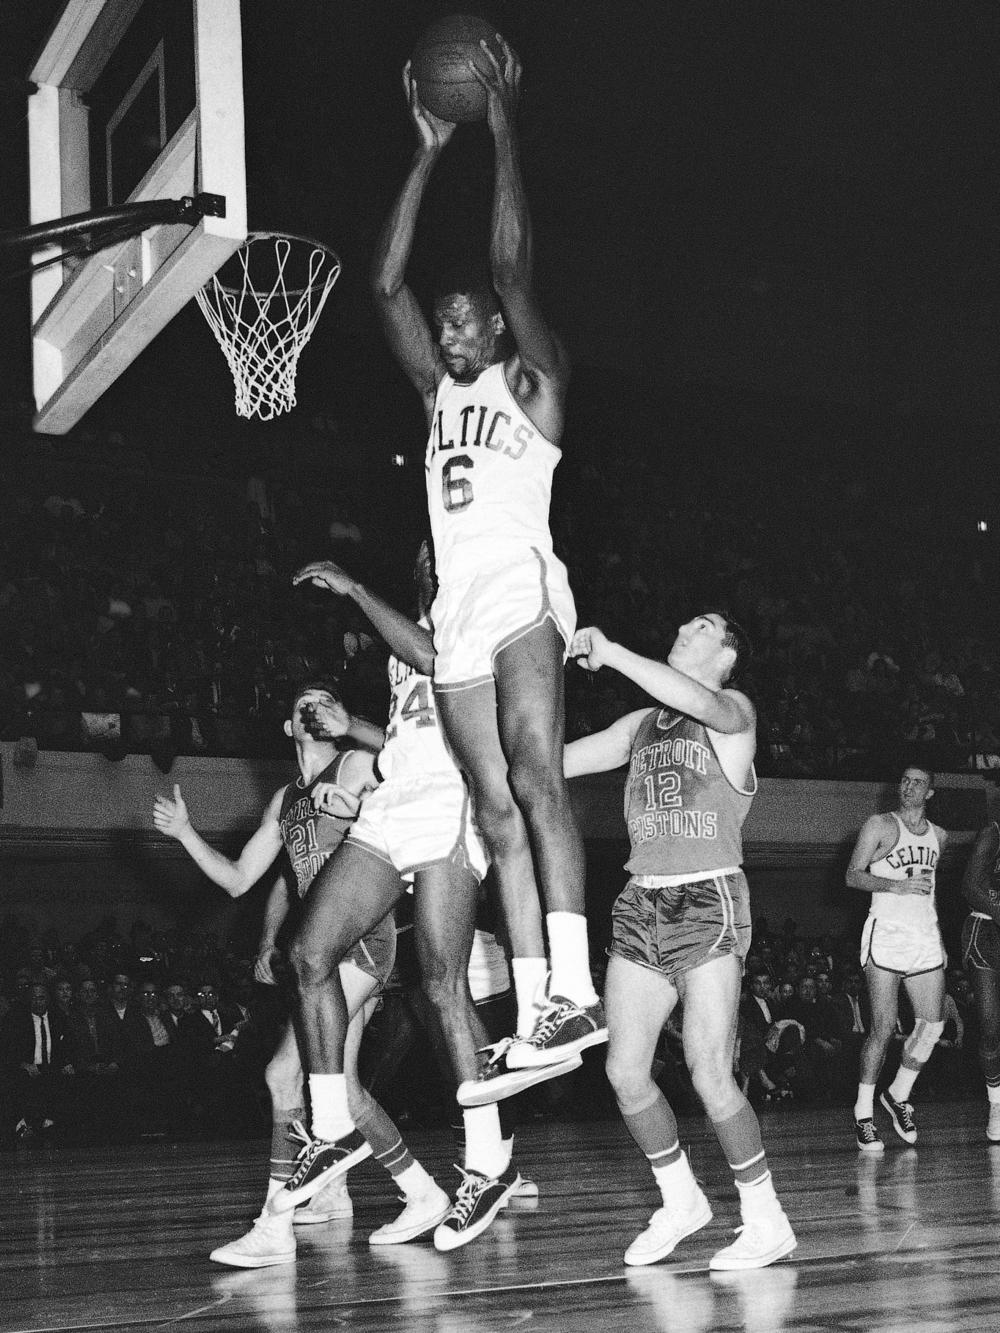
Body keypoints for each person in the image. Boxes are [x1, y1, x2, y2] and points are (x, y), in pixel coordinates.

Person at [370, 38, 604, 1075]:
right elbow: (383, 285)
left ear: (502, 330)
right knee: (495, 808)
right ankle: (547, 1010)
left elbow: (511, 265)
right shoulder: (436, 396)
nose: (454, 329)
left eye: (469, 319)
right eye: (450, 321)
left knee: (533, 773)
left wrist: (500, 122)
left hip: (518, 582)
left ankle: (576, 983)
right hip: (456, 607)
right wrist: (424, 154)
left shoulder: (534, 384)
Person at [282, 550, 555, 1251]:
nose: (436, 549)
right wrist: (353, 728)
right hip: (394, 799)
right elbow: (416, 728)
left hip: (451, 805)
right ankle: (333, 1124)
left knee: (440, 985)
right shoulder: (412, 621)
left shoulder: (476, 616)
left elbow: (435, 659)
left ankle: (489, 1163)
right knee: (307, 952)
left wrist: (354, 587)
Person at [153, 682, 444, 1266]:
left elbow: (422, 793)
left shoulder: (359, 763)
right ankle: (421, 1191)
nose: (311, 709)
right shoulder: (285, 800)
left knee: (285, 1075)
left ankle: (275, 1224)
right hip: (321, 951)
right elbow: (239, 879)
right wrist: (187, 834)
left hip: (362, 938)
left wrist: (361, 809)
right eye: (300, 703)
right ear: (288, 727)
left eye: (322, 700)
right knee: (342, 1086)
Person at [564, 618, 795, 1270]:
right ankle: (680, 1199)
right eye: (687, 620)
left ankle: (765, 1217)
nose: (686, 626)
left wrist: (611, 651)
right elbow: (553, 761)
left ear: (726, 655)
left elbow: (698, 700)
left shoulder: (733, 710)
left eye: (705, 626)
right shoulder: (640, 723)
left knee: (709, 1072)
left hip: (706, 897)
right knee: (624, 1071)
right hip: (641, 900)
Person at [847, 766, 948, 1152]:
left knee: (933, 1025)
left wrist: (938, 937)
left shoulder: (940, 836)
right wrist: (896, 885)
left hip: (923, 935)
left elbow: (930, 890)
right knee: (883, 1027)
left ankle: (898, 1094)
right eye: (904, 780)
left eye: (918, 782)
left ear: (930, 793)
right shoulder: (879, 825)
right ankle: (864, 1114)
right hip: (886, 933)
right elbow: (852, 875)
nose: (908, 787)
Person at [960, 810, 1000, 1140]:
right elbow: (970, 887)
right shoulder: (992, 832)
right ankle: (996, 1105)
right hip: (985, 931)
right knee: (990, 1023)